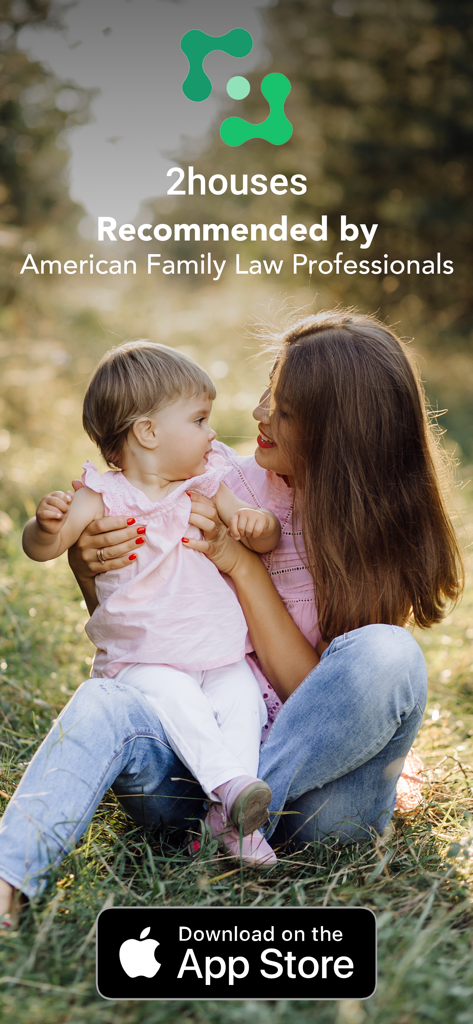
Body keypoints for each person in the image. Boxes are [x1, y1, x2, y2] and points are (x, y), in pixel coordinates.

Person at [0, 310, 463, 924]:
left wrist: (242, 565)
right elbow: (151, 630)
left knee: (390, 654)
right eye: (271, 387)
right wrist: (89, 564)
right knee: (104, 701)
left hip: (319, 802)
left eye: (287, 408)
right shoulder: (218, 482)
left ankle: (237, 811)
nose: (260, 413)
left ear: (339, 432)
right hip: (190, 766)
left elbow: (320, 698)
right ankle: (14, 874)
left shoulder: (376, 528)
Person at [22, 341, 282, 867]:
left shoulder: (206, 483)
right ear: (148, 432)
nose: (213, 432)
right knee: (178, 701)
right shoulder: (104, 496)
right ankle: (231, 792)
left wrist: (260, 525)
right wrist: (44, 526)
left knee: (243, 704)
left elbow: (258, 534)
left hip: (219, 653)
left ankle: (227, 820)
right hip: (147, 660)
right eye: (200, 418)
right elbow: (44, 549)